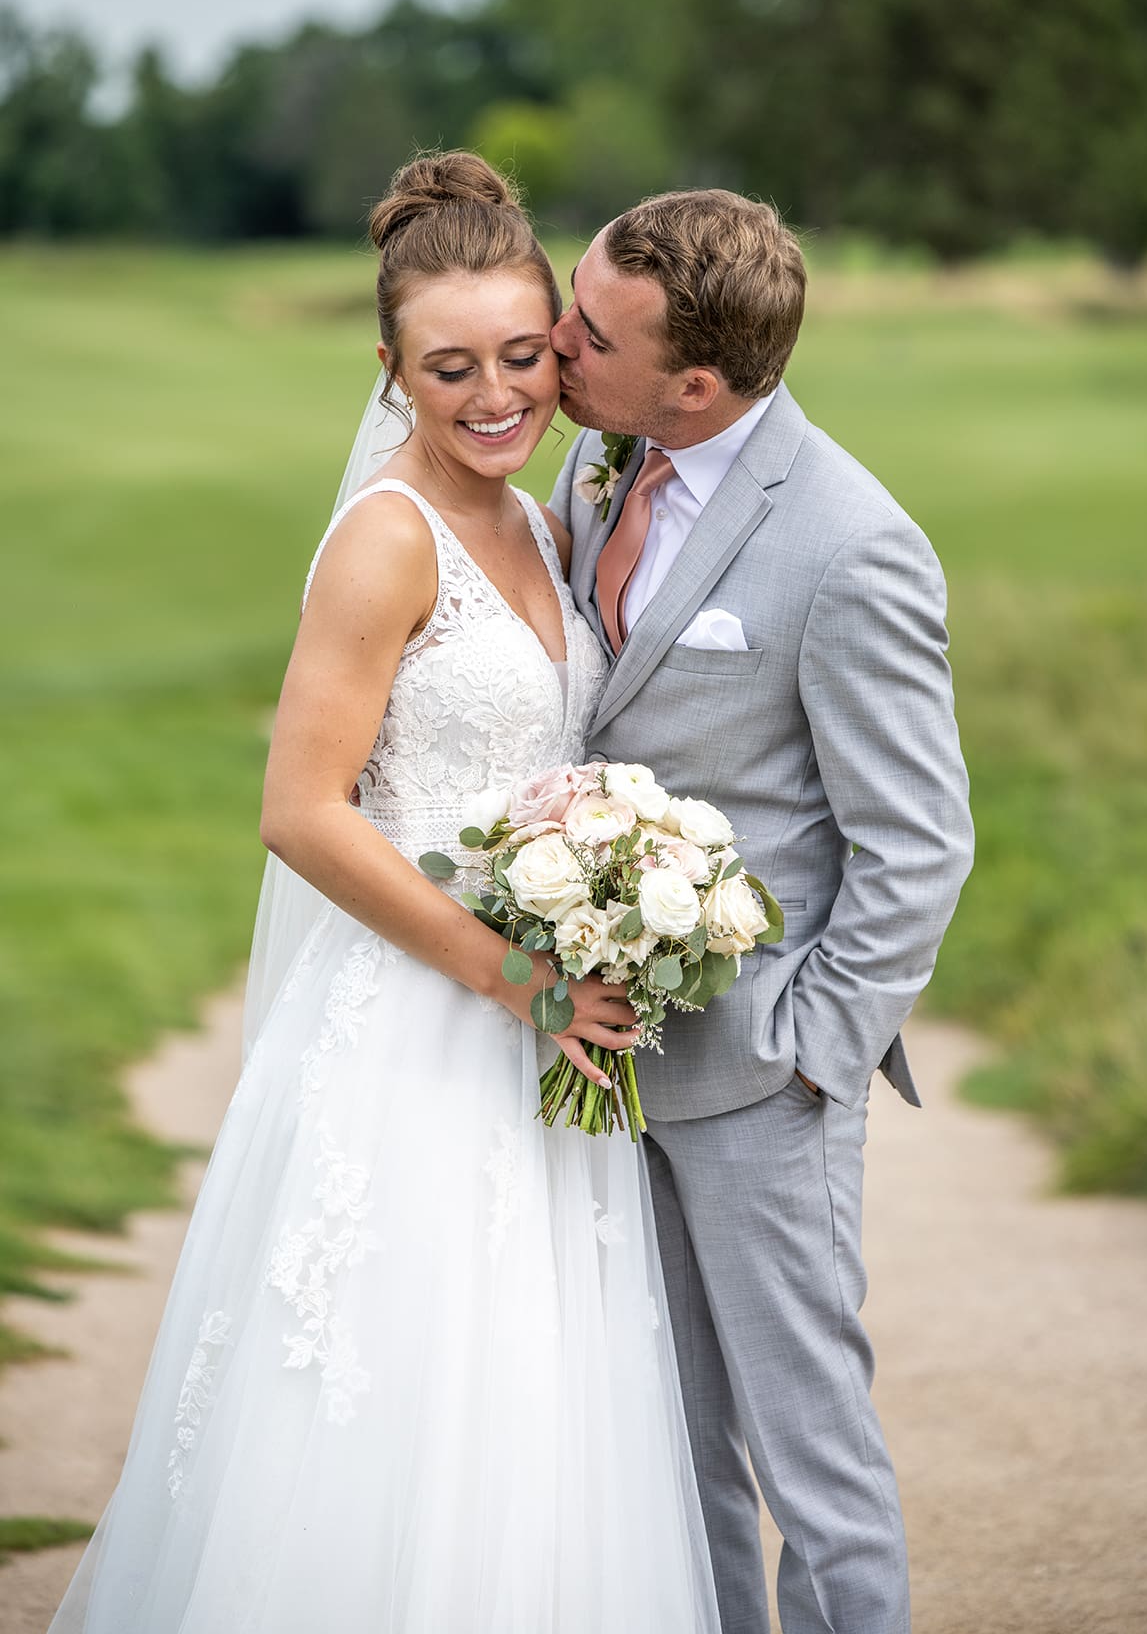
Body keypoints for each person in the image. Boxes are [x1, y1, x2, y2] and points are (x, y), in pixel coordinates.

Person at [50, 154, 721, 1634]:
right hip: (421, 1037)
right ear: (391, 370)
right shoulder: (385, 540)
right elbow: (303, 813)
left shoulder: (544, 521)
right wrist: (513, 976)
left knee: (538, 1399)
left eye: (525, 357)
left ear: (563, 341)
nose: (496, 396)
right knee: (404, 1395)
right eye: (451, 367)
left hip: (545, 1036)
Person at [549, 188, 974, 1634]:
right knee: (674, 1450)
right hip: (609, 1061)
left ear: (700, 381)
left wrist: (813, 1047)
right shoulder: (600, 468)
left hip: (763, 1077)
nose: (554, 344)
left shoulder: (853, 545)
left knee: (812, 1457)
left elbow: (919, 844)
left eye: (592, 334)